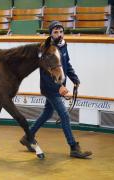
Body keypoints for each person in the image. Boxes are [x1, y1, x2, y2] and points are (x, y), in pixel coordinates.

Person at [20, 21, 92, 159]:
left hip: (58, 86)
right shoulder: (45, 49)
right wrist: (59, 86)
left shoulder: (64, 46)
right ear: (51, 34)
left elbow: (66, 64)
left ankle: (27, 137)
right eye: (55, 32)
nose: (59, 34)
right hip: (50, 87)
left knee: (47, 114)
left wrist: (74, 79)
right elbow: (46, 72)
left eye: (61, 31)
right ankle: (73, 147)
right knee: (64, 115)